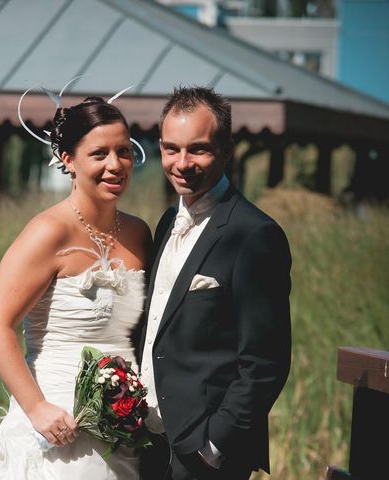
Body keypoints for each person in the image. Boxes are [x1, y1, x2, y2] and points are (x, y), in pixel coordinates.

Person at [0, 95, 152, 479]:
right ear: (68, 160)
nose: (115, 165)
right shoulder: (48, 232)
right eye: (99, 153)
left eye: (123, 151)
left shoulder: (138, 233)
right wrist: (36, 409)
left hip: (123, 428)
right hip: (58, 425)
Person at [139, 86, 292, 480]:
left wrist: (214, 447)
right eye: (171, 149)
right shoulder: (165, 223)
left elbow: (265, 361)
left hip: (204, 456)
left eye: (198, 149)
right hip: (148, 442)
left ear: (226, 149)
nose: (182, 163)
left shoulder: (255, 235)